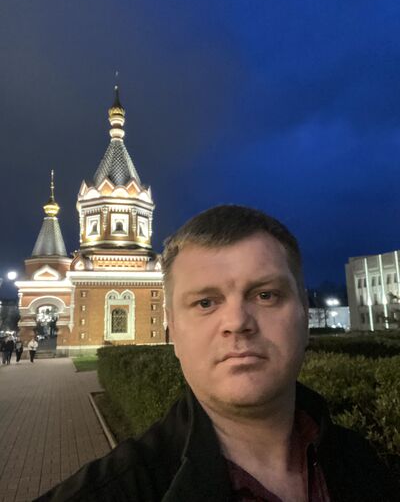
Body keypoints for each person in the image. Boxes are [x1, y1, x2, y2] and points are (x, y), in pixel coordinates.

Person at [37, 205, 398, 501]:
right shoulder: (113, 491)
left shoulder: (365, 465)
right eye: (206, 302)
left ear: (305, 313)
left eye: (266, 295)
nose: (237, 322)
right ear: (172, 328)